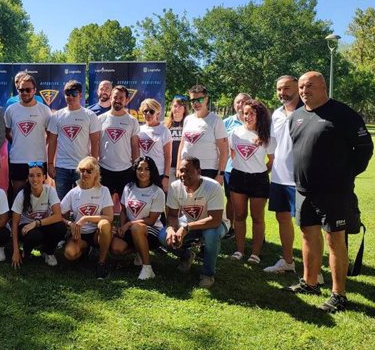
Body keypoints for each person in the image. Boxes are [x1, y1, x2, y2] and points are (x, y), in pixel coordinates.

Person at [287, 71, 373, 313]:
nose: (304, 91)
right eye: (302, 87)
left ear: (323, 87)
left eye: (310, 86)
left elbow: (364, 149)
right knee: (307, 235)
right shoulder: (297, 116)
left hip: (334, 192)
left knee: (335, 240)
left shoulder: (344, 114)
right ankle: (310, 283)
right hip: (304, 190)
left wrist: (345, 175)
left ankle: (339, 295)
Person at [160, 156, 227, 288]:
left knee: (211, 235)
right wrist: (171, 229)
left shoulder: (213, 187)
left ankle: (208, 274)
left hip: (216, 224)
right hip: (189, 222)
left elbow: (215, 220)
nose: (183, 175)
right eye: (181, 171)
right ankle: (187, 255)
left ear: (198, 171)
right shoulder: (175, 187)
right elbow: (172, 215)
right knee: (163, 236)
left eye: (187, 171)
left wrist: (186, 228)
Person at [264, 76, 304, 274]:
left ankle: (314, 271)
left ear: (297, 87)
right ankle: (288, 261)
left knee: (308, 226)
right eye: (279, 89)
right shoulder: (277, 113)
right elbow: (273, 144)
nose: (282, 92)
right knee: (282, 219)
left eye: (287, 88)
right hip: (279, 178)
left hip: (302, 178)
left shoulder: (309, 110)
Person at [228, 99, 275, 264]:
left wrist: (259, 171)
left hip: (259, 180)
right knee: (239, 216)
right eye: (245, 113)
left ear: (259, 115)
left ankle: (255, 253)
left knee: (257, 218)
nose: (247, 116)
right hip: (238, 177)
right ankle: (239, 250)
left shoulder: (266, 135)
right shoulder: (235, 133)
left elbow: (271, 160)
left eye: (251, 113)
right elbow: (232, 153)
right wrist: (242, 165)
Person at [60, 156, 114, 279]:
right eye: (82, 170)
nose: (85, 173)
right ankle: (86, 251)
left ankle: (101, 262)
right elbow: (57, 214)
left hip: (96, 233)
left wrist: (86, 218)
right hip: (80, 233)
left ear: (96, 173)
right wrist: (69, 223)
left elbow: (109, 217)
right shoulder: (74, 192)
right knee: (69, 254)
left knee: (105, 224)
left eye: (89, 171)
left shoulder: (103, 191)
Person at [112, 156, 165, 280]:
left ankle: (148, 268)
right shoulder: (128, 187)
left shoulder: (157, 192)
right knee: (115, 248)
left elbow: (151, 220)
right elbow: (123, 210)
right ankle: (140, 252)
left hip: (151, 231)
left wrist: (128, 225)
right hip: (131, 228)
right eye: (139, 169)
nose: (143, 172)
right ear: (135, 170)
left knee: (136, 227)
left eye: (147, 169)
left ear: (152, 171)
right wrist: (122, 226)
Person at [47, 80, 101, 201]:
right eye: (67, 93)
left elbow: (95, 142)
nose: (70, 96)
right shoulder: (57, 116)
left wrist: (93, 164)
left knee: (83, 202)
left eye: (74, 93)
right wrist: (50, 164)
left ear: (80, 95)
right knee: (61, 204)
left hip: (83, 168)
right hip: (62, 168)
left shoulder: (90, 115)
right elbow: (52, 142)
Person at [11, 162, 66, 268]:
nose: (35, 179)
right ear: (27, 178)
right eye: (31, 175)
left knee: (60, 228)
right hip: (26, 229)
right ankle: (26, 250)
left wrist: (36, 223)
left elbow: (58, 216)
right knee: (35, 235)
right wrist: (15, 250)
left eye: (38, 175)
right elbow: (14, 223)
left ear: (44, 177)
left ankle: (48, 252)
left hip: (40, 225)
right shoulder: (22, 194)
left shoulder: (50, 190)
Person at [5, 73, 51, 198]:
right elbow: (6, 131)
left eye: (28, 89)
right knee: (18, 194)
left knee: (38, 194)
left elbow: (51, 134)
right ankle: (17, 218)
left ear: (34, 90)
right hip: (17, 159)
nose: (24, 92)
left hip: (39, 159)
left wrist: (41, 145)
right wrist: (17, 142)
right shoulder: (11, 110)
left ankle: (38, 218)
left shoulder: (44, 110)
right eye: (21, 90)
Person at [177, 84, 227, 184]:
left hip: (207, 170)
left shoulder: (216, 121)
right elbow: (182, 145)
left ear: (206, 99)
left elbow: (224, 150)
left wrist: (220, 174)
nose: (196, 103)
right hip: (186, 168)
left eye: (199, 100)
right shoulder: (188, 119)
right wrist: (179, 167)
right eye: (192, 100)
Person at [98, 85, 140, 199]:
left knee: (126, 206)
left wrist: (135, 168)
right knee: (103, 205)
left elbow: (135, 146)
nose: (118, 100)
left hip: (125, 170)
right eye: (115, 97)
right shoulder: (100, 119)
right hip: (104, 169)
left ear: (126, 100)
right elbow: (95, 144)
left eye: (121, 98)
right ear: (111, 98)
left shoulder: (132, 121)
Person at [222, 93, 252, 226]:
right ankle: (230, 228)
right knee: (231, 200)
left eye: (245, 101)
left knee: (254, 202)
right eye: (238, 102)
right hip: (231, 168)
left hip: (252, 169)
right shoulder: (226, 123)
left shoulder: (257, 122)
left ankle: (258, 231)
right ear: (234, 105)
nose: (241, 104)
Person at [137, 98, 171, 192]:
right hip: (142, 174)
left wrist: (166, 177)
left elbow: (168, 156)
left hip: (158, 174)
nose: (148, 114)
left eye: (151, 111)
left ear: (158, 113)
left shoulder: (164, 131)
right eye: (145, 111)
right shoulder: (138, 130)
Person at [165, 95, 187, 183]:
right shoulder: (165, 125)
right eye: (175, 106)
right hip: (168, 166)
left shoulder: (188, 124)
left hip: (184, 165)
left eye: (180, 106)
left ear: (185, 109)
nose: (177, 108)